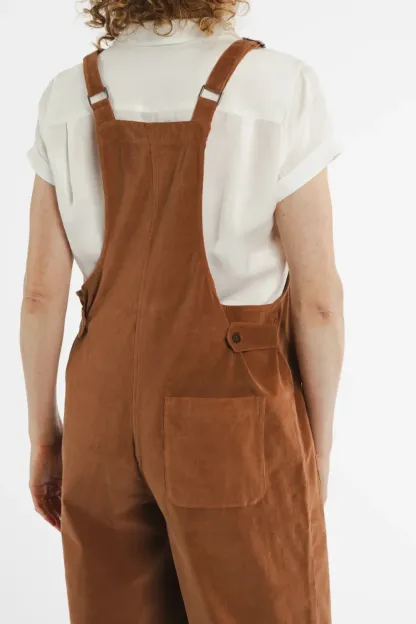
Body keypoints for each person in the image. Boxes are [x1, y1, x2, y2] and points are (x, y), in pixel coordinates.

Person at [20, 1, 344, 622]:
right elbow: (320, 302)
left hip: (101, 413)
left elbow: (40, 296)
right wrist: (317, 447)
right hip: (232, 407)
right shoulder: (278, 85)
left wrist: (45, 438)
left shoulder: (67, 95)